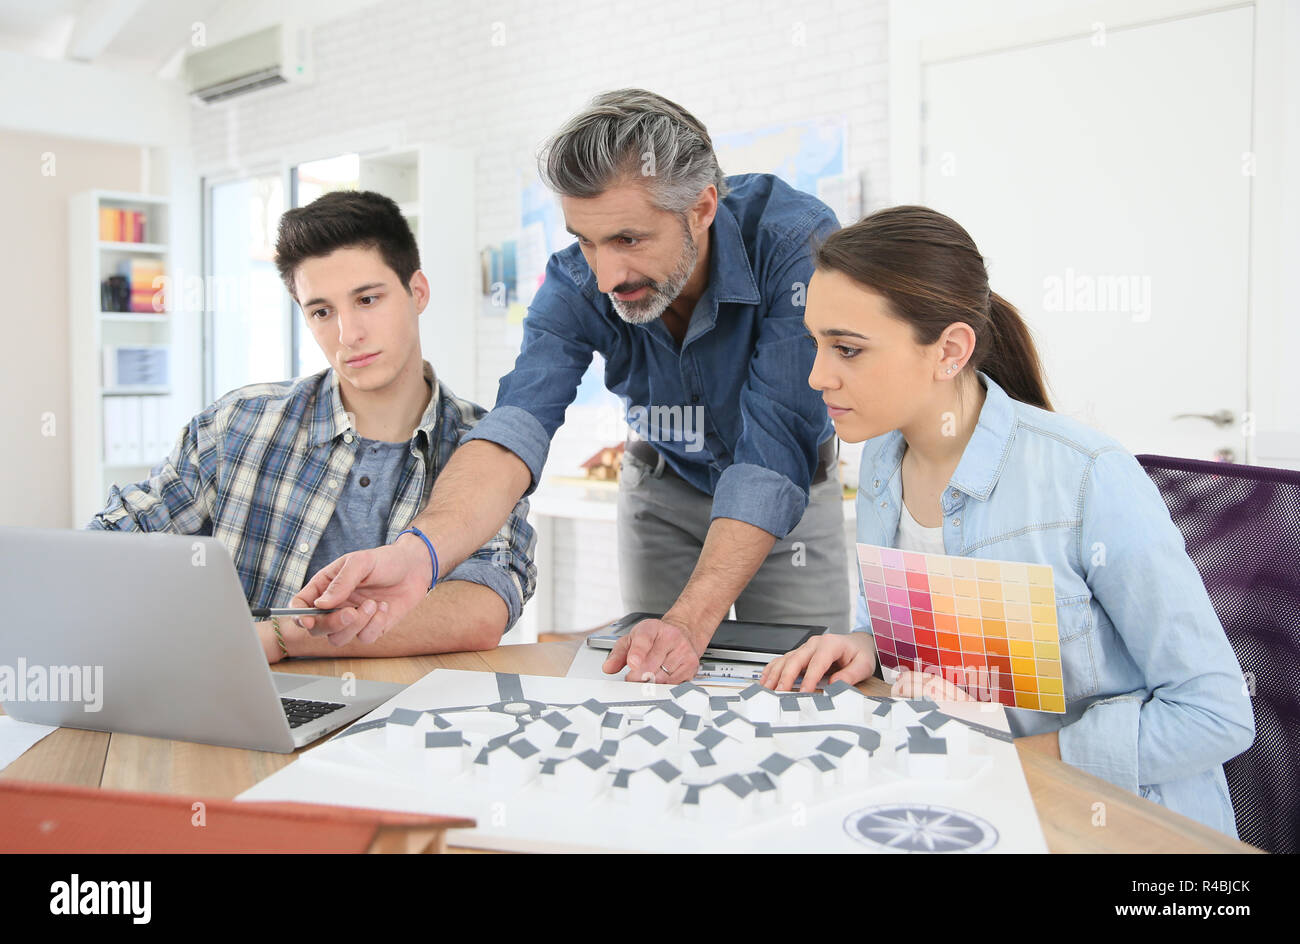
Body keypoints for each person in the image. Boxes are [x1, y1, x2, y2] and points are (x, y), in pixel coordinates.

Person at [295, 89, 850, 682]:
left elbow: (775, 441)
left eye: (629, 240)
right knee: (652, 682)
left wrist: (691, 621)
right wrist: (417, 556)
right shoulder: (573, 283)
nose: (607, 276)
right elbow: (516, 426)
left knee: (802, 684)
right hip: (664, 485)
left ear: (702, 208)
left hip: (789, 488)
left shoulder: (795, 242)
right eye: (586, 240)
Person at [761, 205, 1254, 837]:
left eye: (848, 349)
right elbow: (936, 647)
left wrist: (1019, 764)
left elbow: (1215, 715)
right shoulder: (883, 460)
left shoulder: (1087, 478)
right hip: (973, 805)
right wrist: (867, 647)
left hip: (1114, 827)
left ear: (950, 351)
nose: (816, 375)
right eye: (816, 343)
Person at [87, 190, 535, 663]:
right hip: (243, 712)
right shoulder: (236, 425)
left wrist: (280, 639)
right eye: (322, 311)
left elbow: (483, 604)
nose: (348, 334)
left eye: (367, 299)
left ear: (417, 292)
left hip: (407, 722)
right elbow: (119, 540)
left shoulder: (483, 448)